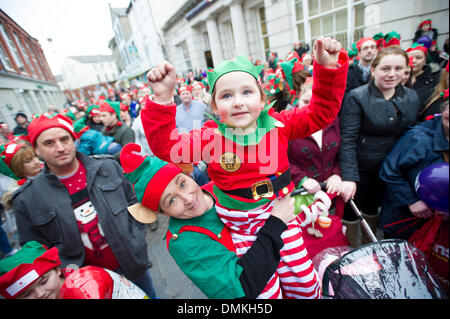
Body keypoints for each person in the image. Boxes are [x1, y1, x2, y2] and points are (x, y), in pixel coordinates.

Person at [143, 37, 348, 298]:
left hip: (284, 220)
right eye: (227, 95)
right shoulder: (211, 139)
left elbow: (321, 113)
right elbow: (166, 148)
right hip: (242, 233)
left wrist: (328, 70)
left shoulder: (279, 124)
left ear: (262, 99)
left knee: (305, 286)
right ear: (215, 107)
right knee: (265, 294)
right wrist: (162, 97)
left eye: (247, 92)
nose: (238, 101)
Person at [119, 143, 294, 299]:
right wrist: (276, 223)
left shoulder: (221, 187)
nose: (187, 198)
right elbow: (240, 289)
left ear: (188, 175)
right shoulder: (184, 241)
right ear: (163, 213)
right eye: (171, 201)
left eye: (182, 184)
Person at [11, 114, 156, 298]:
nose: (60, 148)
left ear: (74, 140)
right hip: (82, 284)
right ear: (36, 150)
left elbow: (133, 201)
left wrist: (136, 239)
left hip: (132, 263)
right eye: (49, 143)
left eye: (64, 139)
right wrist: (64, 272)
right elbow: (34, 250)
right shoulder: (27, 198)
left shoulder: (108, 167)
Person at [338, 45, 421, 247]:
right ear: (373, 70)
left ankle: (377, 250)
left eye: (398, 69)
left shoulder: (411, 96)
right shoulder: (357, 97)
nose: (392, 74)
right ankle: (356, 249)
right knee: (361, 210)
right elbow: (348, 138)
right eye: (386, 68)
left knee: (388, 214)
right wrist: (349, 176)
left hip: (397, 168)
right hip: (366, 167)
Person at [379, 90, 449, 240]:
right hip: (406, 221)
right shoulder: (419, 138)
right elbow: (389, 171)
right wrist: (411, 201)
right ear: (443, 109)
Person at [0, 241, 66, 299]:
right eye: (27, 294)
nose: (40, 294)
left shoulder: (75, 288)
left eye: (44, 282)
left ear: (57, 270)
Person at [407, 43, 441, 111]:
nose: (413, 61)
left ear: (425, 60)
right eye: (410, 58)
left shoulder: (435, 80)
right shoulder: (399, 78)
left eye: (418, 58)